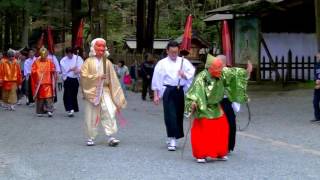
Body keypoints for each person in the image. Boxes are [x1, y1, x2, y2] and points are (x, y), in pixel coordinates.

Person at [185, 54, 252, 163]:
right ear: (211, 67)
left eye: (221, 68)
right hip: (204, 107)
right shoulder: (201, 77)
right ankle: (201, 154)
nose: (220, 70)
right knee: (204, 130)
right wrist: (192, 102)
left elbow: (234, 74)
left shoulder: (222, 73)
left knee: (223, 127)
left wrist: (246, 71)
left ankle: (220, 152)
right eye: (218, 68)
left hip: (216, 107)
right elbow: (193, 92)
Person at [80, 38, 126, 146]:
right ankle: (90, 137)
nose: (101, 48)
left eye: (103, 46)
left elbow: (113, 80)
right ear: (93, 48)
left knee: (109, 110)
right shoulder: (88, 62)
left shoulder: (108, 62)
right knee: (91, 114)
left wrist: (117, 97)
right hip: (92, 91)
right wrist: (97, 77)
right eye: (98, 46)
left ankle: (111, 136)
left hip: (105, 90)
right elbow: (84, 76)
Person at [152, 41, 195, 151]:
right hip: (168, 90)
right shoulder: (161, 63)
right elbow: (156, 79)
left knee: (178, 114)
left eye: (176, 52)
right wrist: (156, 95)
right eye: (171, 52)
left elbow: (192, 73)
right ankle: (172, 138)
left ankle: (174, 136)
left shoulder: (183, 62)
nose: (174, 54)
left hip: (179, 90)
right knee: (170, 115)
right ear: (167, 51)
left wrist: (184, 75)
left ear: (178, 51)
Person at [217, 54, 241, 152]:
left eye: (218, 62)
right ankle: (218, 145)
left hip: (227, 101)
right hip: (216, 101)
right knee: (216, 124)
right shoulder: (213, 72)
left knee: (230, 123)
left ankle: (228, 146)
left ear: (223, 63)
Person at [31, 47, 56, 117]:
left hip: (48, 82)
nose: (44, 58)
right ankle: (40, 111)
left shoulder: (50, 61)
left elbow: (53, 69)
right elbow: (33, 71)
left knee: (48, 97)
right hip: (40, 83)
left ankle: (49, 110)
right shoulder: (36, 62)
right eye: (42, 57)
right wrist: (39, 73)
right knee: (40, 97)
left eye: (45, 57)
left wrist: (53, 70)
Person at [60, 47, 84, 117]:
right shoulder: (63, 60)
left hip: (75, 78)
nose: (70, 56)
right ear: (66, 54)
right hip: (68, 78)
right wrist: (71, 69)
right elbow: (64, 70)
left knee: (74, 94)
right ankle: (70, 109)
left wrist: (78, 70)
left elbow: (82, 67)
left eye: (71, 54)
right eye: (68, 54)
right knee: (67, 94)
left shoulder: (78, 58)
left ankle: (73, 107)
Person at [312, 52, 320, 122]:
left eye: (318, 54)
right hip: (317, 87)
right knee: (315, 102)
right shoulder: (316, 65)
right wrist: (316, 80)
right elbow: (315, 75)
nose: (316, 56)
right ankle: (317, 117)